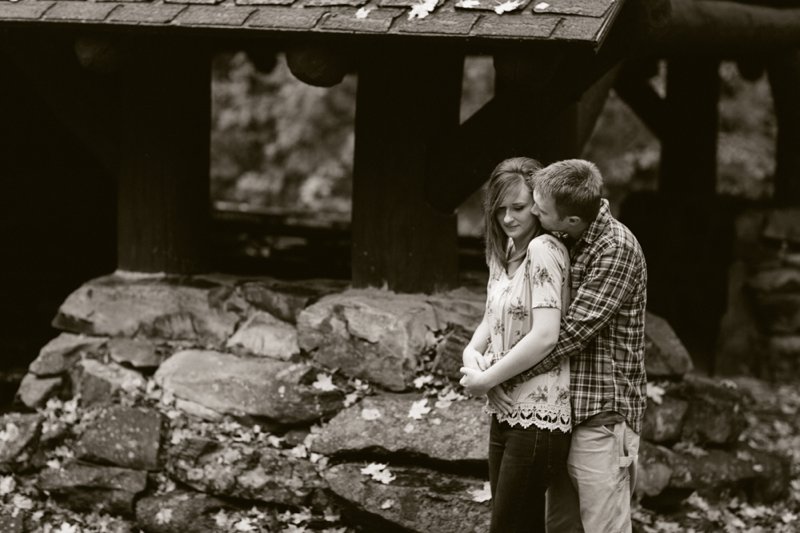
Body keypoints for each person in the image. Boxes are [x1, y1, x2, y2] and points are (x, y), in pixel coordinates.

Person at [518, 159, 647, 533]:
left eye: (539, 209)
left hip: (601, 419)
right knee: (561, 527)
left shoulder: (616, 248)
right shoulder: (565, 237)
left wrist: (508, 373)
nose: (532, 211)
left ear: (571, 220)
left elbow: (574, 331)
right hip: (563, 414)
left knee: (603, 528)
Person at [459, 156, 572, 533]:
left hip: (539, 417)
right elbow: (493, 318)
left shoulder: (544, 250)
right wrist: (469, 354)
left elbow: (545, 335)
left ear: (538, 207)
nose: (508, 218)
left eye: (519, 208)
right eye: (500, 209)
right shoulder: (504, 251)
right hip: (505, 410)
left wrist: (487, 379)